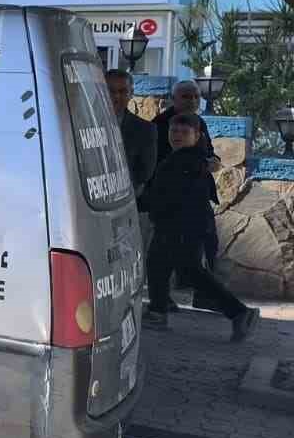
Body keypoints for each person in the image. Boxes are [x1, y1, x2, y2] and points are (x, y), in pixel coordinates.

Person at [141, 112, 260, 341]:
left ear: (197, 136)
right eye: (174, 131)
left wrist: (140, 202)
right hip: (176, 225)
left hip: (182, 227)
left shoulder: (188, 161)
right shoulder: (187, 158)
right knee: (158, 264)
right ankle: (158, 310)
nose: (177, 136)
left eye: (185, 132)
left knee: (190, 272)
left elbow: (165, 195)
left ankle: (239, 312)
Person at [153, 79, 221, 267]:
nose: (191, 101)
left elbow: (208, 152)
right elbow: (166, 161)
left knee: (209, 247)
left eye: (195, 97)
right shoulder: (160, 125)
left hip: (199, 197)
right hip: (173, 201)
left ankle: (204, 295)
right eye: (186, 97)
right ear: (173, 99)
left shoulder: (199, 123)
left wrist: (214, 162)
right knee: (167, 257)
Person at [105, 68, 157, 247]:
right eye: (110, 91)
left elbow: (145, 173)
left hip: (127, 207)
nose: (116, 97)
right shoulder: (78, 123)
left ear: (131, 94)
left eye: (122, 91)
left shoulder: (145, 130)